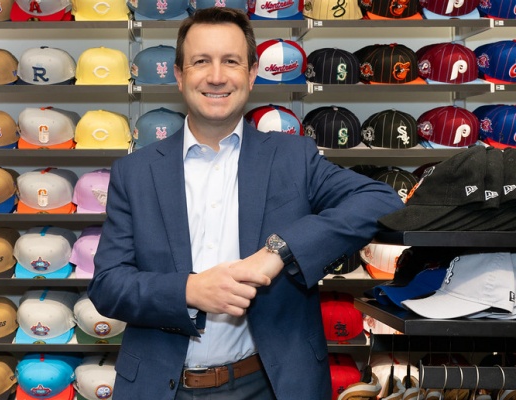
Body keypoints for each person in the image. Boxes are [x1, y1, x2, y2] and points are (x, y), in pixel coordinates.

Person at [87, 7, 404, 400]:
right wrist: (189, 290)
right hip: (160, 386)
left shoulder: (294, 157)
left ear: (252, 74)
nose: (217, 76)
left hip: (271, 385)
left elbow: (379, 199)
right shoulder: (135, 172)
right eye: (201, 61)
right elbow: (108, 285)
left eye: (231, 62)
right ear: (179, 74)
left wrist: (279, 251)